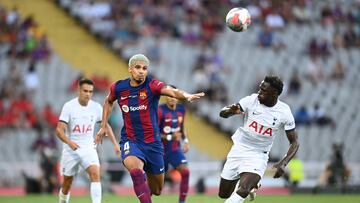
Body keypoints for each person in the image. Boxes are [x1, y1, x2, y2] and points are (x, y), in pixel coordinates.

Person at [96, 54, 204, 203]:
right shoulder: (119, 87)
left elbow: (171, 91)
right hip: (130, 140)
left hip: (153, 144)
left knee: (157, 190)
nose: (141, 71)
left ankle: (146, 186)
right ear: (130, 69)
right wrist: (103, 126)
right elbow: (108, 102)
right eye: (138, 67)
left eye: (145, 68)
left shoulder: (152, 86)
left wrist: (186, 95)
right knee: (136, 172)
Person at [218, 75, 299, 203]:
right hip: (239, 149)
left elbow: (294, 142)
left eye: (263, 90)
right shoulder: (251, 100)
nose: (259, 92)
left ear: (274, 93)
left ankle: (250, 185)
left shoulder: (284, 112)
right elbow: (222, 113)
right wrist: (229, 111)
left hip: (258, 155)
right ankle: (253, 186)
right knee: (224, 194)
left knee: (243, 189)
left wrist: (284, 163)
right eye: (260, 89)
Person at [56, 78, 120, 203]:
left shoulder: (96, 107)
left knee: (96, 175)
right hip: (71, 149)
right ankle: (62, 201)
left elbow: (106, 125)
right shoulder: (69, 107)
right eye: (85, 91)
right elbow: (59, 130)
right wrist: (69, 142)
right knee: (67, 183)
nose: (88, 94)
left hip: (88, 147)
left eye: (90, 91)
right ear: (78, 90)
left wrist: (115, 144)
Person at [158, 86, 190, 203]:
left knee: (185, 172)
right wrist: (170, 136)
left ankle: (182, 202)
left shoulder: (181, 109)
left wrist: (185, 141)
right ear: (164, 97)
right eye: (168, 95)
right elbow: (154, 132)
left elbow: (182, 127)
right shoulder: (160, 110)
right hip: (160, 151)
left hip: (174, 149)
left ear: (177, 96)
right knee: (156, 186)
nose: (171, 98)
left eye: (173, 95)